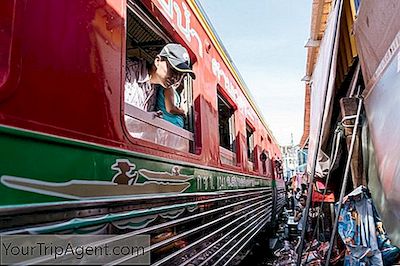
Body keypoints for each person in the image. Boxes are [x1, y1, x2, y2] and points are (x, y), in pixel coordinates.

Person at [124, 43, 196, 112]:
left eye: (181, 75)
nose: (176, 78)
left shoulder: (156, 92)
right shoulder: (127, 70)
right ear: (158, 61)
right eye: (173, 70)